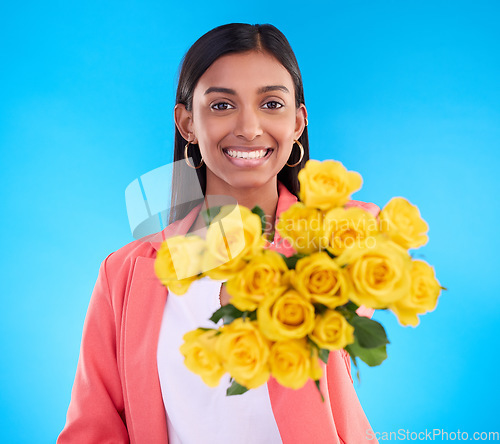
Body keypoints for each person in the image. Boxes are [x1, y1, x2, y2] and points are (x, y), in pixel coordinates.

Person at [58, 23, 379, 443]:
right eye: (222, 105)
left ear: (299, 122)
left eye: (271, 103)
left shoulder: (340, 240)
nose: (249, 127)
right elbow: (93, 429)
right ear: (187, 123)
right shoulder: (124, 273)